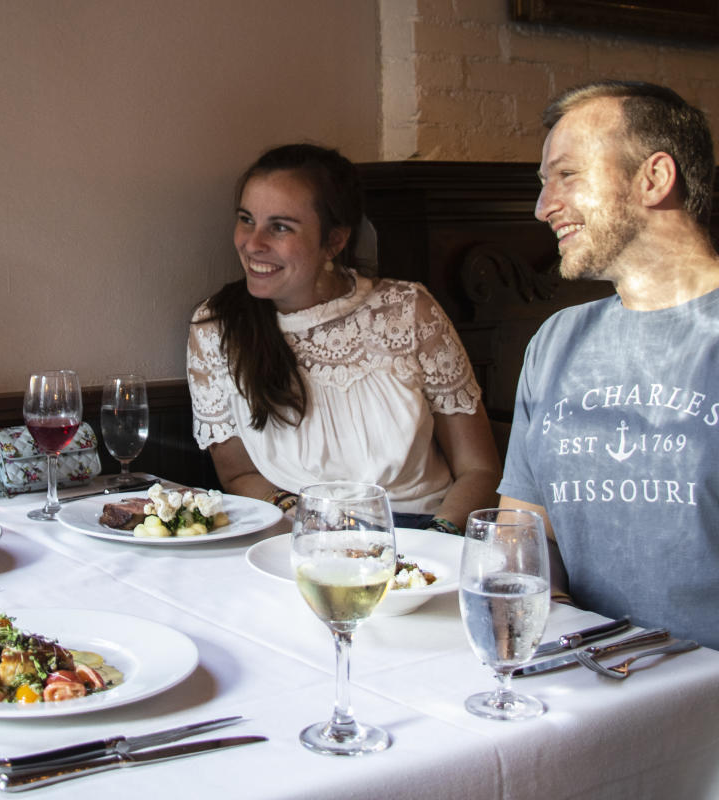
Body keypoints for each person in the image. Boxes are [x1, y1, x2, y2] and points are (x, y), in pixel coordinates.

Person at [498, 81, 719, 650]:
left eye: (566, 176)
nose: (543, 208)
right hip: (587, 678)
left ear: (654, 178)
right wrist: (556, 616)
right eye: (543, 184)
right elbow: (524, 529)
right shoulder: (556, 341)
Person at [187, 143, 501, 531]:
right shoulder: (216, 327)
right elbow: (237, 475)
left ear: (334, 241)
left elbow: (479, 467)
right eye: (246, 219)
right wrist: (315, 529)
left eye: (280, 226)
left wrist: (440, 539)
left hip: (426, 533)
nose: (253, 243)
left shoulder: (408, 309)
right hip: (299, 537)